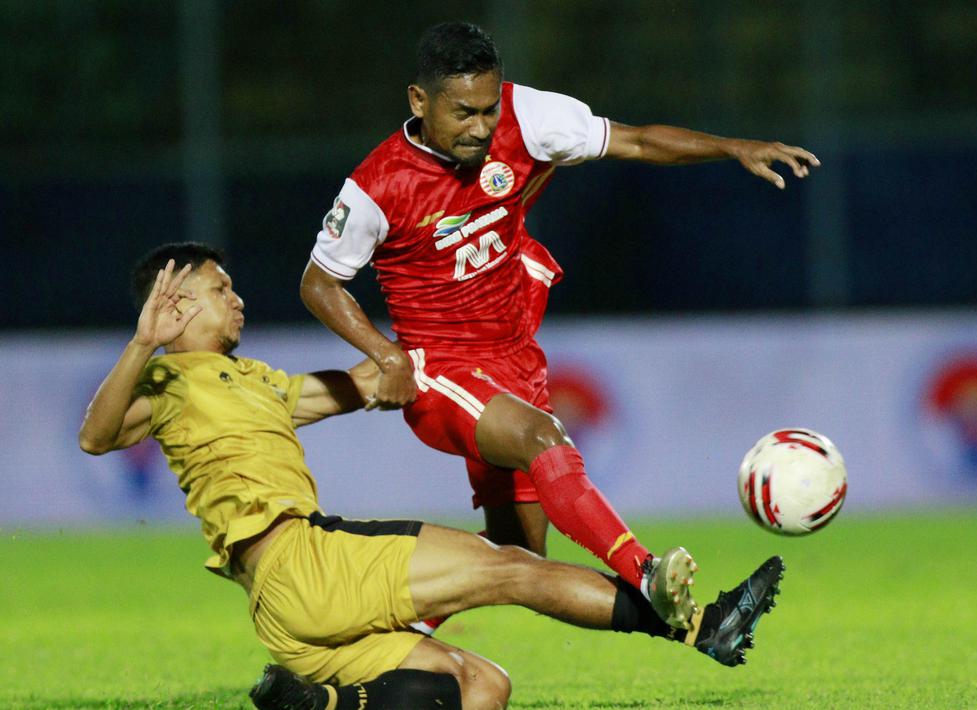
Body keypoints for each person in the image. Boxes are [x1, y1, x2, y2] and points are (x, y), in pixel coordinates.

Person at [79, 243, 785, 710]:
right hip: (300, 558)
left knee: (484, 686)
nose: (236, 298)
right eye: (217, 288)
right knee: (509, 568)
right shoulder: (168, 376)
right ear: (173, 307)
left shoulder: (254, 380)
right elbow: (97, 435)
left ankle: (325, 703)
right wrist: (142, 343)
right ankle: (698, 627)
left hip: (285, 615)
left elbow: (359, 384)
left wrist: (433, 334)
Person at [299, 22, 818, 633]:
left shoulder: (529, 117)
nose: (480, 127)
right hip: (440, 368)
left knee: (514, 560)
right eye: (463, 112)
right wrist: (386, 356)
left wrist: (732, 147)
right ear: (419, 101)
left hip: (516, 358)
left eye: (488, 109)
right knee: (545, 438)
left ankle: (364, 643)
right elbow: (318, 283)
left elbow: (640, 142)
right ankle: (649, 572)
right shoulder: (376, 185)